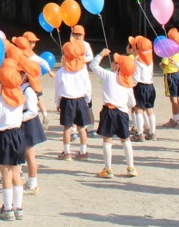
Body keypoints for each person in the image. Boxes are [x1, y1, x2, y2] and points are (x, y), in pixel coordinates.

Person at [0, 59, 26, 221]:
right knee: (16, 172)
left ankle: (8, 208)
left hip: (4, 138)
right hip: (18, 135)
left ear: (1, 86)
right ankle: (18, 207)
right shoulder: (20, 101)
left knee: (6, 174)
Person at [89, 48, 137, 179]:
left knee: (107, 140)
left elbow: (92, 65)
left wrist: (101, 54)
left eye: (115, 62)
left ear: (118, 66)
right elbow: (132, 103)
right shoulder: (128, 83)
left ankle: (108, 169)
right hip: (122, 112)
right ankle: (131, 167)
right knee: (125, 139)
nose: (112, 62)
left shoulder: (109, 76)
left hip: (109, 111)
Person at [55, 40, 91, 161]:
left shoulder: (60, 72)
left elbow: (57, 89)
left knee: (67, 127)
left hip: (66, 100)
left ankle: (67, 152)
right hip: (81, 100)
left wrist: (57, 102)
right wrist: (87, 99)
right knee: (81, 127)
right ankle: (83, 152)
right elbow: (88, 87)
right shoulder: (83, 70)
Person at [18, 54, 46, 194]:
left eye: (20, 72)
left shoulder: (28, 90)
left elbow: (33, 111)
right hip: (23, 122)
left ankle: (33, 183)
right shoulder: (22, 87)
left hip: (28, 124)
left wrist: (19, 118)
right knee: (23, 153)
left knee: (30, 155)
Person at [129, 36, 156, 141]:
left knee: (138, 110)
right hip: (150, 85)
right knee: (150, 109)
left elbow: (135, 77)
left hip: (140, 86)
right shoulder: (150, 60)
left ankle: (139, 134)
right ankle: (152, 132)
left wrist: (131, 85)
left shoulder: (137, 61)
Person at [160, 28, 179, 127]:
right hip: (177, 74)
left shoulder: (168, 51)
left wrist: (161, 64)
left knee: (173, 98)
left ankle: (175, 119)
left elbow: (164, 64)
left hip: (170, 75)